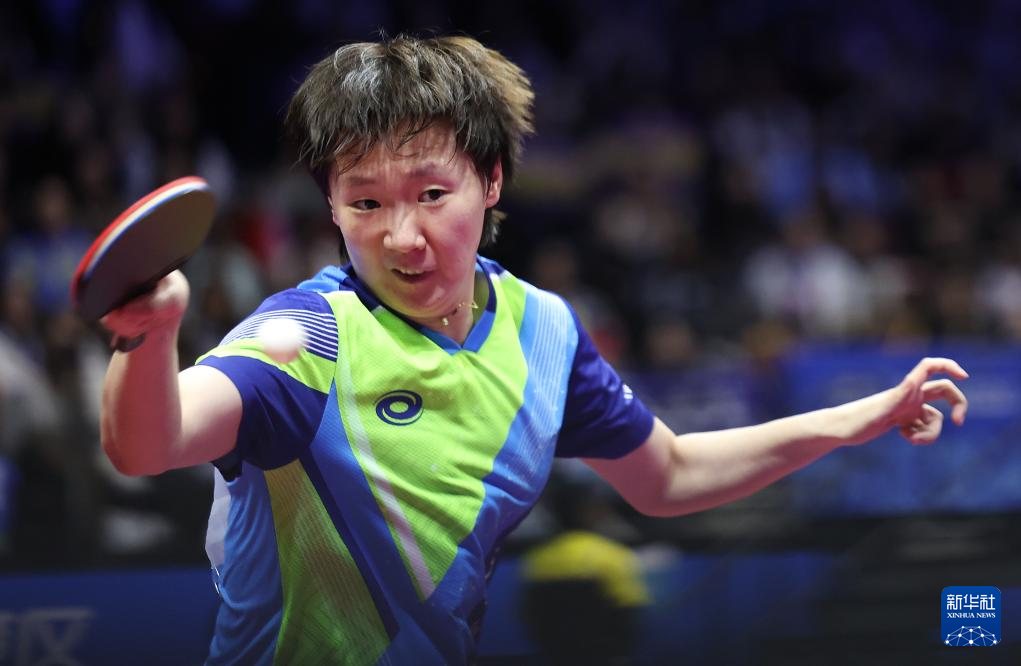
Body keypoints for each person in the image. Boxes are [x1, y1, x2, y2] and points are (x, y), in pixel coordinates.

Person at [99, 35, 969, 665]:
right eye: (364, 203)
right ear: (330, 207)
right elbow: (145, 445)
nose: (400, 235)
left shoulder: (542, 329)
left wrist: (857, 420)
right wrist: (148, 339)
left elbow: (667, 476)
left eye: (431, 193)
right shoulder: (306, 339)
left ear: (491, 181)